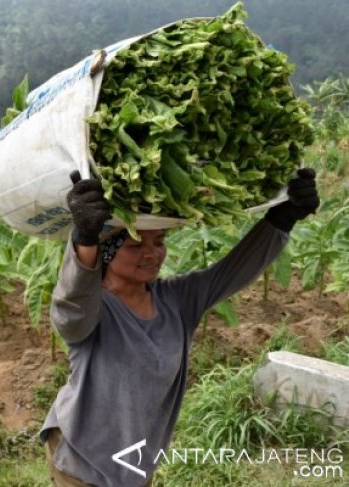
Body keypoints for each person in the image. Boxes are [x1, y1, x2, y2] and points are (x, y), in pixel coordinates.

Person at [40, 168, 320, 486]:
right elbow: (69, 310)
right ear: (107, 252)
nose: (152, 253)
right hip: (80, 457)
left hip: (134, 461)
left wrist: (282, 218)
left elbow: (233, 270)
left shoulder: (177, 300)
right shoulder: (94, 309)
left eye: (159, 241)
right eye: (135, 244)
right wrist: (84, 238)